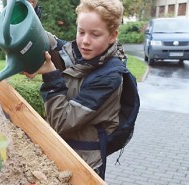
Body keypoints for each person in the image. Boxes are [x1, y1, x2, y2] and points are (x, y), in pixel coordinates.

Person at [24, 0, 126, 179]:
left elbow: (62, 122)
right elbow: (46, 41)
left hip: (84, 168)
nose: (85, 41)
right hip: (61, 156)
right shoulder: (80, 55)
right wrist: (29, 14)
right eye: (81, 32)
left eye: (95, 34)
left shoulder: (109, 77)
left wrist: (51, 76)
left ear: (112, 36)